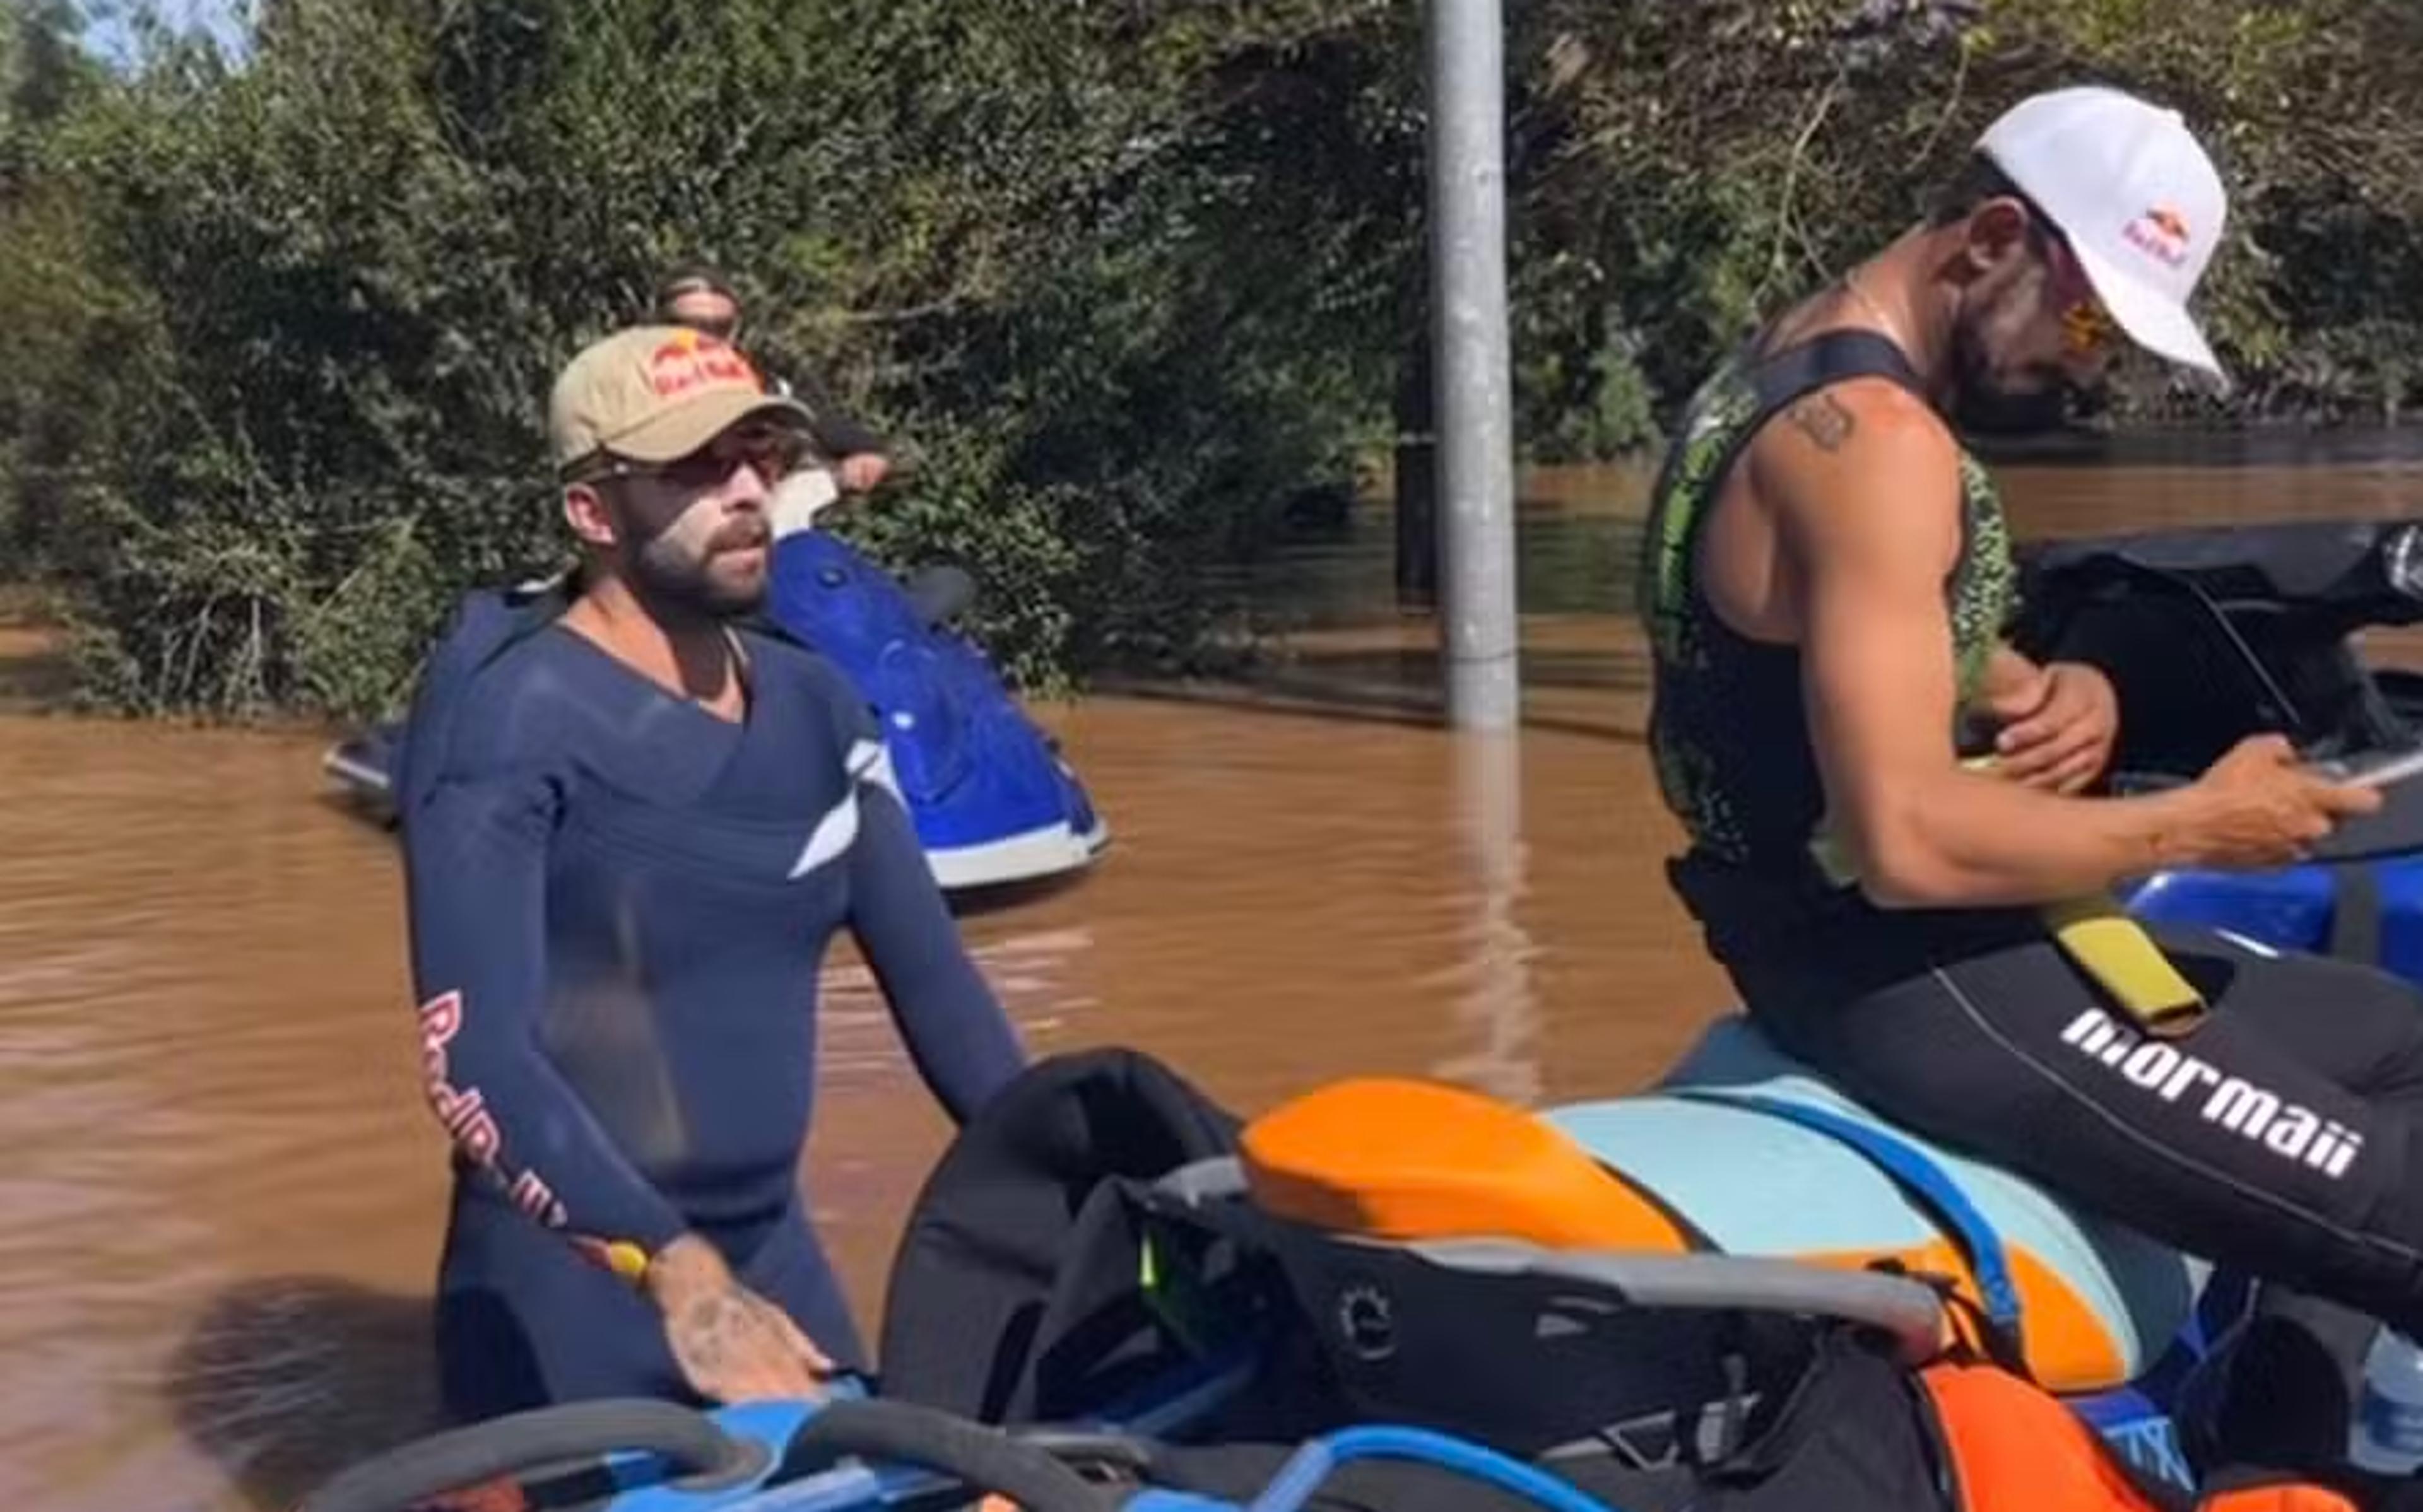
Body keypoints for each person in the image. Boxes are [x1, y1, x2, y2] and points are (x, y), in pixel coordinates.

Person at [1637, 83, 2423, 1353]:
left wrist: (2041, 688)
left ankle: (2281, 1474)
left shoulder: (1791, 360)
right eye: (2085, 315)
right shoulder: (1877, 445)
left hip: (1925, 937)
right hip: (1912, 973)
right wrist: (2203, 821)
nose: (2090, 358)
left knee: (2399, 1043)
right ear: (1996, 237)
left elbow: (1821, 616)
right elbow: (1904, 846)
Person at [392, 322, 1026, 1422]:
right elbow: (473, 1062)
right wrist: (680, 1279)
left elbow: (942, 995)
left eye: (762, 458)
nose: (745, 491)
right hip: (576, 1288)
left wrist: (1086, 1170)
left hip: (771, 1261)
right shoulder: (515, 721)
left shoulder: (820, 705)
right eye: (697, 465)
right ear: (592, 512)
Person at [655, 263, 895, 498]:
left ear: (735, 330)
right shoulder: (630, 387)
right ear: (657, 327)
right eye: (685, 326)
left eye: (719, 327)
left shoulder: (763, 387)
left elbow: (850, 439)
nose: (703, 338)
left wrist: (847, 471)